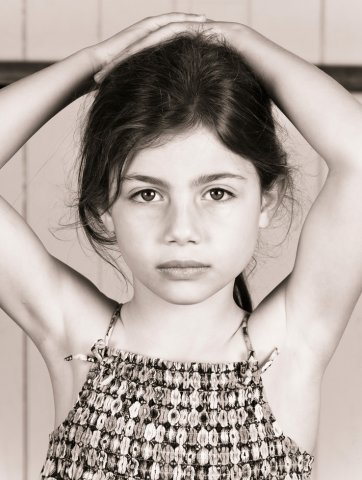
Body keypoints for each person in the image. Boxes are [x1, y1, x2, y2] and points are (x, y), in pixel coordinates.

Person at [1, 12, 361, 480]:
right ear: (105, 206)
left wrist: (238, 40)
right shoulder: (75, 337)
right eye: (147, 193)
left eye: (217, 193)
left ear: (264, 201)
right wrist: (95, 65)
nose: (182, 228)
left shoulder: (291, 347)